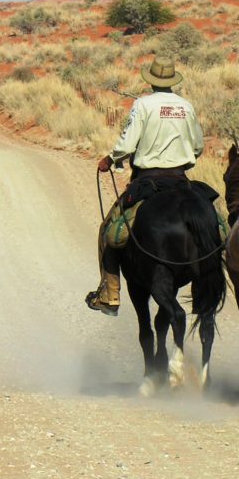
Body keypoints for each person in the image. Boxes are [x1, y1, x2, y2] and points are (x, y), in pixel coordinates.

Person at [85, 56, 206, 316]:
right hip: (180, 180)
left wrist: (110, 159)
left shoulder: (143, 104)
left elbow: (128, 145)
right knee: (215, 225)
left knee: (109, 231)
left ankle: (109, 295)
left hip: (148, 180)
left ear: (151, 80)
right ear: (172, 81)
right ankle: (204, 290)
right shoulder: (186, 106)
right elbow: (198, 146)